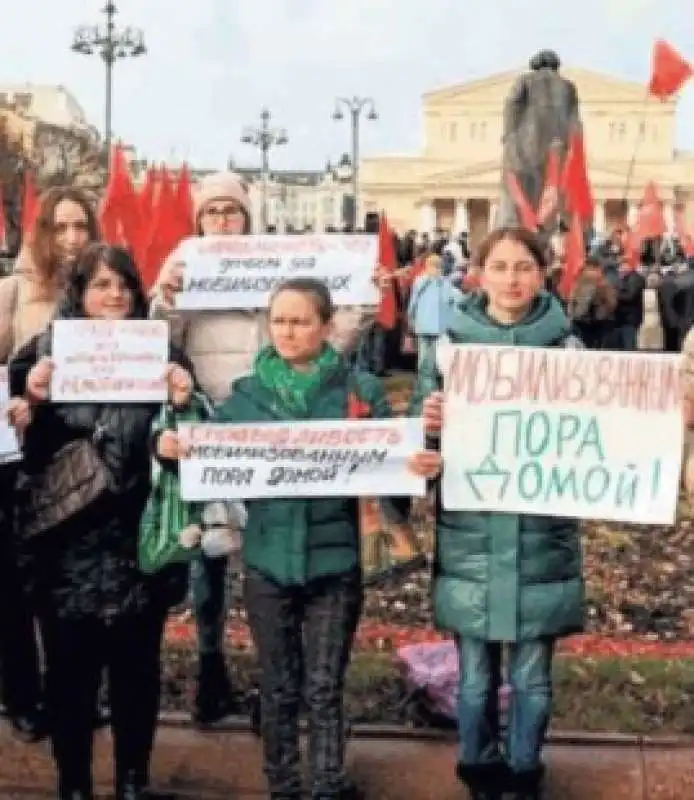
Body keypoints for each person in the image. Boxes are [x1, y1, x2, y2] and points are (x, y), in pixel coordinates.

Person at [160, 276, 435, 800]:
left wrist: (412, 468)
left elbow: (391, 477)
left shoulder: (361, 391)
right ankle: (282, 785)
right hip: (267, 564)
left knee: (324, 687)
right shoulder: (249, 395)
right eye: (279, 321)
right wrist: (182, 435)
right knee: (280, 687)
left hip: (336, 566)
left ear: (327, 326)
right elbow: (211, 457)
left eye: (301, 321)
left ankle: (328, 784)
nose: (288, 331)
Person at [151, 172, 378, 725]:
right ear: (198, 220)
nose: (223, 221)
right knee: (210, 562)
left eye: (232, 211)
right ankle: (211, 667)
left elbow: (323, 327)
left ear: (248, 218)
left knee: (270, 566)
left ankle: (275, 685)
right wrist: (166, 297)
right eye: (213, 212)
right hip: (214, 421)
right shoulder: (186, 261)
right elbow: (159, 334)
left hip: (280, 422)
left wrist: (364, 300)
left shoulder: (279, 260)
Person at [401, 227, 584, 800]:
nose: (512, 279)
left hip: (540, 532)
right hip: (471, 534)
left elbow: (592, 433)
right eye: (499, 266)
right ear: (478, 272)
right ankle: (477, 768)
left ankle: (525, 769)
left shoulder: (568, 348)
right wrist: (428, 424)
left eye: (524, 267)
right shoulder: (449, 345)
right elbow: (419, 440)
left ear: (542, 273)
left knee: (532, 674)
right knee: (476, 677)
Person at [17, 244, 194, 800]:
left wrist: (183, 409)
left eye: (123, 285)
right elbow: (16, 448)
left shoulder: (162, 352)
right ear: (79, 294)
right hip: (66, 547)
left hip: (137, 542)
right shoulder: (43, 352)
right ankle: (73, 783)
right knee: (70, 679)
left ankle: (132, 780)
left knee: (136, 677)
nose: (114, 295)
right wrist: (28, 399)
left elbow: (194, 439)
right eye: (100, 285)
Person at [0, 185, 100, 742]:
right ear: (41, 232)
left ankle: (74, 695)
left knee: (72, 588)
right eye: (59, 227)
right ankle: (20, 695)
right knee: (16, 587)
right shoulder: (13, 293)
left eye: (81, 226)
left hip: (82, 462)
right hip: (19, 463)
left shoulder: (101, 290)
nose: (70, 239)